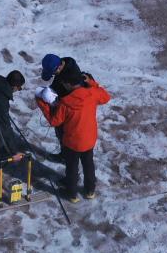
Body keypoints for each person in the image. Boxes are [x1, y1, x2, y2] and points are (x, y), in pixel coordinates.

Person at [35, 70, 111, 201]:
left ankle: (71, 194)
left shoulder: (65, 103)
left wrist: (42, 103)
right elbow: (106, 97)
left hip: (72, 142)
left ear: (69, 84)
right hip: (89, 139)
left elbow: (55, 121)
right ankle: (90, 191)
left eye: (64, 83)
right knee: (88, 164)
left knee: (72, 168)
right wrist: (92, 82)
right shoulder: (92, 93)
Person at [40, 53, 86, 159]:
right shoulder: (59, 63)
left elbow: (75, 97)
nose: (53, 75)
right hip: (60, 101)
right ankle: (64, 154)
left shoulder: (72, 75)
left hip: (70, 108)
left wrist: (56, 101)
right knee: (60, 132)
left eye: (53, 73)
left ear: (59, 66)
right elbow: (47, 77)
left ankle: (67, 158)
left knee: (65, 133)